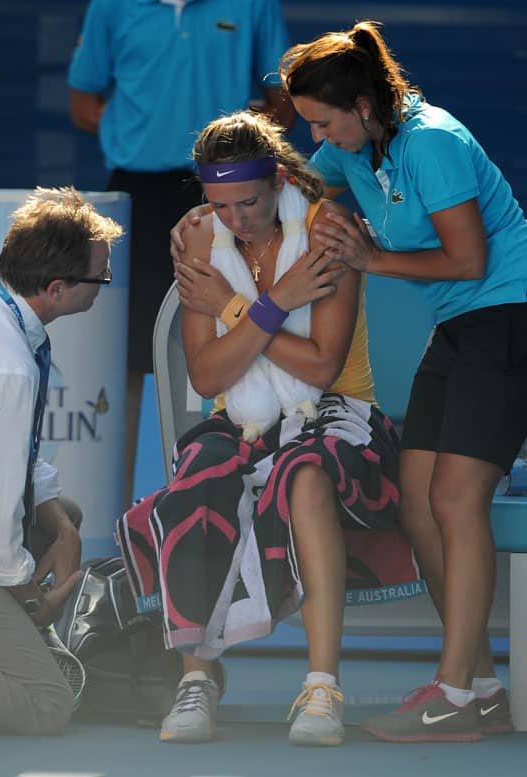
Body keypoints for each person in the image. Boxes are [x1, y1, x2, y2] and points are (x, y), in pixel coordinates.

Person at [117, 110, 421, 746]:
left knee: (306, 475)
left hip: (339, 413)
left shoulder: (327, 233)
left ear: (279, 178)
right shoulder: (198, 236)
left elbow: (320, 366)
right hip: (240, 419)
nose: (237, 220)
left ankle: (320, 687)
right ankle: (195, 681)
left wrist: (233, 310)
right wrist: (277, 300)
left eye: (249, 202)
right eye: (219, 205)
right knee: (198, 476)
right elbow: (206, 377)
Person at [272, 20, 527, 742]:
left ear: (361, 104)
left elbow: (469, 260)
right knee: (416, 503)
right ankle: (478, 689)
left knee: (455, 496)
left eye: (324, 120)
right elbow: (293, 180)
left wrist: (369, 260)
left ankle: (450, 692)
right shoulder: (356, 147)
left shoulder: (433, 140)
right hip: (458, 329)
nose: (319, 135)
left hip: (509, 315)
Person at [67, 0, 296, 509]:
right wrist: (142, 129)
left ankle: (224, 514)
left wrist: (244, 134)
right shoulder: (112, 6)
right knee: (124, 361)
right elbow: (82, 104)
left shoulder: (253, 4)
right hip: (137, 196)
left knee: (233, 349)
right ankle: (119, 525)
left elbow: (284, 102)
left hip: (226, 186)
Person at [0, 187, 123, 735]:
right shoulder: (4, 368)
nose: (106, 284)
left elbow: (14, 457)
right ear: (57, 288)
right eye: (102, 276)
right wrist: (27, 595)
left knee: (61, 512)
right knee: (45, 701)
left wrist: (63, 529)